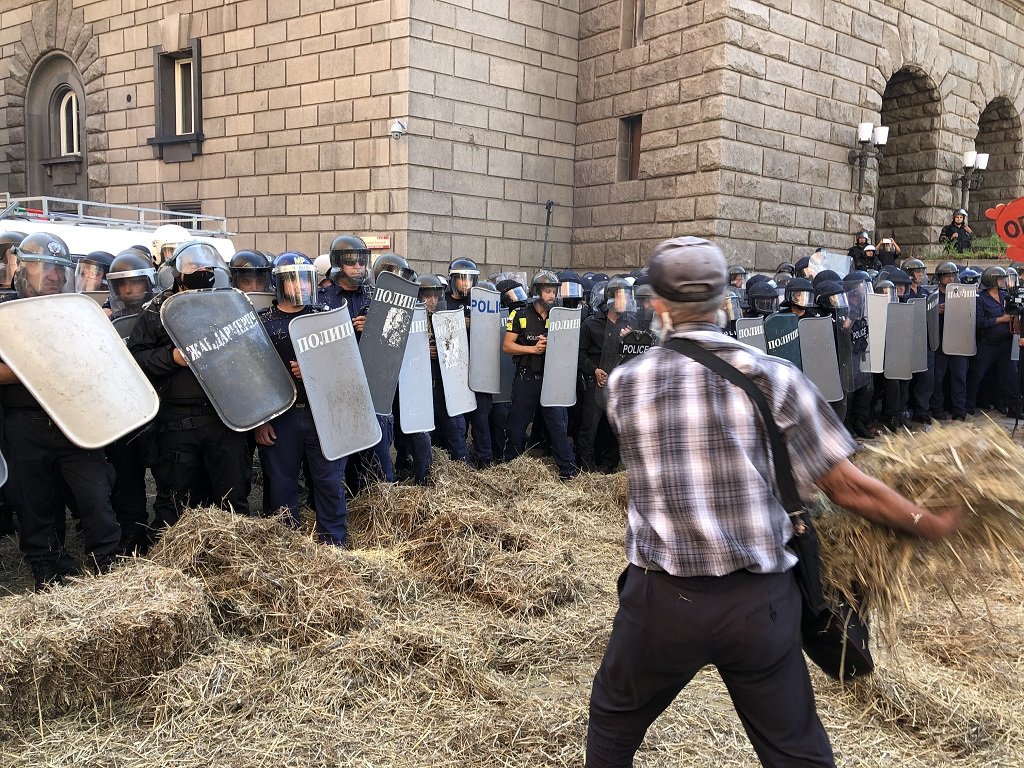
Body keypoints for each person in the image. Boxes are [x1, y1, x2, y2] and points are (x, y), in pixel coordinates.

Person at [585, 236, 962, 768]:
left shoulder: (625, 384)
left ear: (659, 306)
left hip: (662, 602)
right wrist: (927, 521)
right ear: (723, 303)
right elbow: (847, 487)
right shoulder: (776, 379)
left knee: (612, 725)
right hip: (759, 605)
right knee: (794, 750)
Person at [0, 232, 121, 589]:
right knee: (34, 503)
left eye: (60, 269)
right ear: (22, 268)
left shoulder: (79, 312)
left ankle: (109, 566)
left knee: (95, 497)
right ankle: (46, 568)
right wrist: (42, 366)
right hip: (24, 423)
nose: (54, 275)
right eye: (45, 267)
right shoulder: (5, 312)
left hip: (76, 418)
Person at [128, 241, 252, 531]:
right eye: (194, 266)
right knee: (174, 499)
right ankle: (170, 561)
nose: (202, 271)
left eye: (207, 267)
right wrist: (171, 357)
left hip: (225, 417)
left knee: (233, 495)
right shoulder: (157, 310)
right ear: (177, 272)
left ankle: (237, 556)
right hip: (177, 422)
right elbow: (135, 359)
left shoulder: (226, 303)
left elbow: (250, 353)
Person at [255, 252, 349, 544]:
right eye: (292, 281)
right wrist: (260, 421)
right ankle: (287, 545)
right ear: (279, 283)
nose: (301, 287)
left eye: (304, 280)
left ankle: (334, 542)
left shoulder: (324, 318)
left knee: (329, 481)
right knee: (281, 483)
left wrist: (312, 370)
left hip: (321, 412)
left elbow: (344, 366)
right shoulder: (263, 325)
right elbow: (255, 378)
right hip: (280, 415)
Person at [502, 269, 580, 480]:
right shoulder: (520, 314)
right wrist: (532, 349)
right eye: (547, 291)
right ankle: (511, 470)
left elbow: (570, 348)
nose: (551, 296)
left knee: (557, 427)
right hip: (526, 379)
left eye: (554, 291)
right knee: (516, 428)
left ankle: (569, 471)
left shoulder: (560, 317)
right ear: (537, 292)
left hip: (551, 380)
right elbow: (507, 346)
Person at [966, 266, 1017, 416]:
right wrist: (1001, 319)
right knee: (976, 374)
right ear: (992, 280)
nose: (1003, 281)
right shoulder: (981, 298)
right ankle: (968, 405)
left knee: (1010, 375)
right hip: (988, 343)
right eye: (1000, 279)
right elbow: (980, 322)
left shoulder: (1005, 296)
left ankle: (1012, 407)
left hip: (1005, 342)